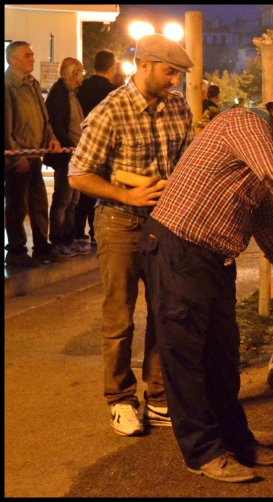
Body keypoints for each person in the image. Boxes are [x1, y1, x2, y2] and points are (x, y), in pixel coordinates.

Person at [139, 85, 273, 483]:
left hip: (214, 261)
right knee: (186, 357)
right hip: (178, 250)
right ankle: (202, 452)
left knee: (221, 356)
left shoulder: (255, 167)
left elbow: (269, 234)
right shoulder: (243, 121)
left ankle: (236, 439)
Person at [68, 34, 196, 437]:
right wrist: (126, 192)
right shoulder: (111, 111)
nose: (174, 80)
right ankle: (120, 399)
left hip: (166, 224)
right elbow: (78, 173)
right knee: (120, 315)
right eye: (168, 71)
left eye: (177, 73)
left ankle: (158, 396)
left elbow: (187, 160)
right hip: (120, 224)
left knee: (165, 311)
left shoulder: (178, 106)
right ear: (143, 65)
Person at [4, 41, 62, 268]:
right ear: (13, 59)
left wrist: (51, 137)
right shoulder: (8, 86)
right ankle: (16, 250)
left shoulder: (31, 84)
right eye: (27, 55)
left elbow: (42, 116)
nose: (32, 59)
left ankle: (41, 246)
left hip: (34, 155)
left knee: (38, 203)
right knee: (18, 205)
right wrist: (15, 157)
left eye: (32, 54)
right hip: (18, 158)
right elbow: (6, 126)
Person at [43, 57, 90, 259]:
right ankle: (58, 239)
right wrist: (69, 146)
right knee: (63, 198)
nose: (82, 76)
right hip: (66, 155)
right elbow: (58, 124)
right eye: (81, 72)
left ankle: (69, 237)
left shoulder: (71, 93)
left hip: (75, 153)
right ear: (74, 73)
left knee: (73, 198)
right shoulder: (59, 94)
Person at [75, 49, 120, 246]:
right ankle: (95, 231)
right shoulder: (113, 92)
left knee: (81, 193)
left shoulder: (81, 87)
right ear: (112, 67)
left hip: (80, 141)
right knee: (99, 191)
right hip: (106, 148)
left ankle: (77, 231)